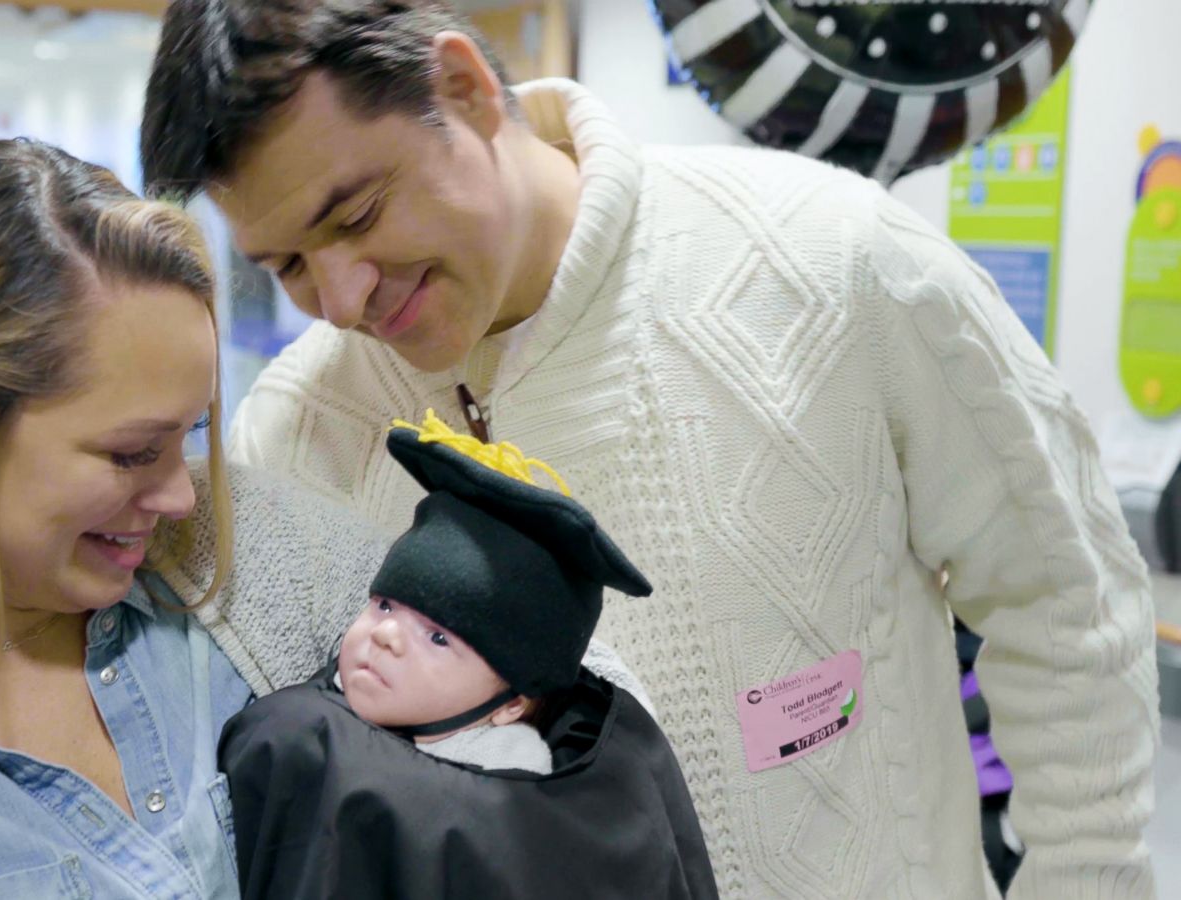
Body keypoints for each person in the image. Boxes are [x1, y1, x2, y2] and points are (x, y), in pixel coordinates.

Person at [139, 2, 1161, 895]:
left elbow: (1065, 603)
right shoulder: (301, 427)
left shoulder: (835, 263)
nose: (343, 297)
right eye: (287, 265)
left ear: (460, 88)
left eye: (356, 214)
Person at [0, 138, 644, 897]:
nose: (180, 496)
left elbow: (570, 749)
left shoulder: (261, 574)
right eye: (129, 452)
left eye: (192, 435)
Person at [219, 415, 718, 898]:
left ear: (510, 705)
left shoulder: (522, 795)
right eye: (384, 604)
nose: (387, 633)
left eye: (438, 638)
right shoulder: (313, 728)